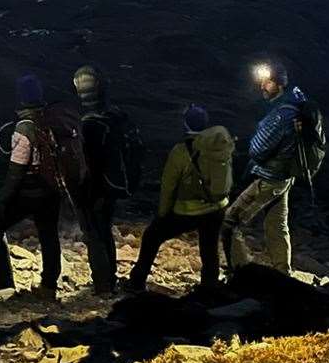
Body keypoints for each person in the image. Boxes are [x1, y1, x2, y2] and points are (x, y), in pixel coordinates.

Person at [126, 105, 232, 293]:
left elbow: (169, 186)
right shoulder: (220, 145)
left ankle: (137, 282)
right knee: (209, 247)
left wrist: (163, 213)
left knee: (152, 235)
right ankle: (210, 287)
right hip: (218, 207)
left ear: (185, 124)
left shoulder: (181, 151)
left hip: (189, 210)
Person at [0, 74, 64, 299]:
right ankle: (49, 286)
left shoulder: (23, 127)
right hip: (52, 191)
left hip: (29, 191)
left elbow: (16, 169)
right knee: (49, 234)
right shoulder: (50, 122)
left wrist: (3, 200)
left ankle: (3, 283)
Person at [222, 61, 306, 274]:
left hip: (270, 178)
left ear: (280, 84)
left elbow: (258, 150)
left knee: (231, 221)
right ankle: (283, 273)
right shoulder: (295, 105)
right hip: (284, 177)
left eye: (267, 82)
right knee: (277, 226)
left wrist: (252, 141)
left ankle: (239, 273)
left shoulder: (281, 114)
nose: (262, 86)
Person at [73, 65, 140, 295]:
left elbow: (88, 163)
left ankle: (102, 286)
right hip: (112, 185)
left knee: (94, 234)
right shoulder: (113, 117)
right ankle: (109, 279)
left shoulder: (88, 123)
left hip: (95, 187)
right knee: (104, 229)